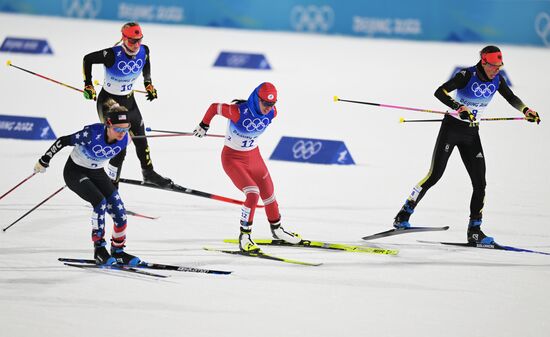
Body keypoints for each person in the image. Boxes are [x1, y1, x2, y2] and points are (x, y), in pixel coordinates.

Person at [393, 45, 541, 244]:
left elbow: (511, 97)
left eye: (500, 66)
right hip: (451, 129)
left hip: (471, 133)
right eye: (493, 66)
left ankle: (474, 230)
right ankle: (404, 214)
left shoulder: (497, 79)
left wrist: (525, 110)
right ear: (483, 61)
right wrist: (458, 107)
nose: (497, 70)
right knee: (434, 175)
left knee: (480, 184)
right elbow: (440, 92)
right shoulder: (466, 75)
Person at [192, 82, 301, 252]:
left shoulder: (273, 113)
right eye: (265, 103)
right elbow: (214, 107)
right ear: (256, 98)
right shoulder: (236, 112)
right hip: (233, 159)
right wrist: (204, 125)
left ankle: (277, 230)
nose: (268, 108)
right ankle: (244, 236)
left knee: (269, 193)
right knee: (252, 193)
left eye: (272, 104)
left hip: (254, 157)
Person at [33, 99, 141, 266]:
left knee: (119, 211)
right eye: (118, 129)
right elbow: (62, 141)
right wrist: (44, 160)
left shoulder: (126, 139)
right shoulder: (91, 134)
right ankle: (99, 249)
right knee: (100, 202)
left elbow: (118, 158)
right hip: (74, 172)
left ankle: (118, 251)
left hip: (97, 172)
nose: (122, 133)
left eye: (125, 129)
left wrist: (114, 180)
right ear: (108, 124)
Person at [82, 21, 173, 188]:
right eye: (132, 41)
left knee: (140, 137)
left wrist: (148, 84)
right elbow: (87, 59)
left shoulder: (144, 50)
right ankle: (111, 184)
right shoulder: (111, 54)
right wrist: (88, 84)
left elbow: (146, 63)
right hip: (109, 102)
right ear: (124, 38)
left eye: (139, 40)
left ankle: (148, 172)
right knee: (120, 145)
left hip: (129, 101)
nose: (136, 44)